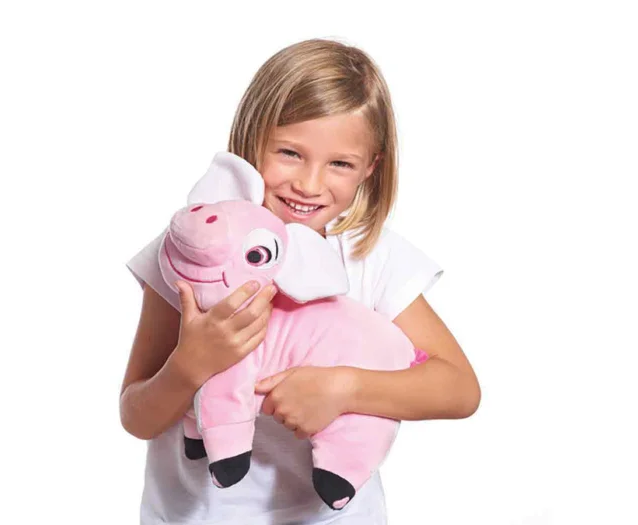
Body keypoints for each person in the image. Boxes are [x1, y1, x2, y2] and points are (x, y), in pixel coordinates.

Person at [120, 38, 481, 525]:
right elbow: (136, 416)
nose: (309, 184)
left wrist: (344, 389)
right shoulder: (193, 249)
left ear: (370, 168)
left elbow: (459, 389)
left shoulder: (370, 256)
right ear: (250, 142)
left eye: (340, 164)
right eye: (289, 153)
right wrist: (190, 366)